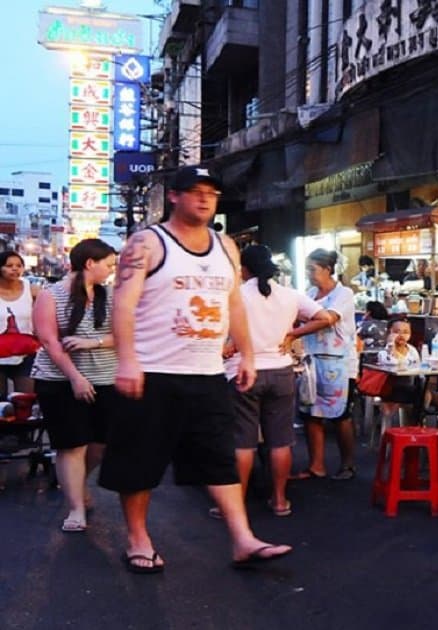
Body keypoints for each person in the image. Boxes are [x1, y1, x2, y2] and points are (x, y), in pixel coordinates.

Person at [98, 165, 292, 573]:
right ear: (174, 196)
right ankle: (138, 538)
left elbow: (234, 305)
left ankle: (242, 538)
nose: (204, 198)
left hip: (206, 372)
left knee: (218, 458)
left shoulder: (226, 247)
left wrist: (248, 355)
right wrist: (128, 360)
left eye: (212, 192)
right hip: (152, 372)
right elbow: (123, 304)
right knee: (140, 462)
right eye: (195, 191)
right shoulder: (147, 243)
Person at [223, 245, 329, 518]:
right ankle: (280, 500)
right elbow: (325, 318)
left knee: (243, 442)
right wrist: (293, 335)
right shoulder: (290, 295)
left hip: (243, 373)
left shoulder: (235, 296)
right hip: (281, 372)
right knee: (280, 440)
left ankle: (236, 506)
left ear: (243, 269)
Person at [31, 239, 117, 534]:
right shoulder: (51, 295)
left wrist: (93, 342)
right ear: (90, 264)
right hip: (58, 381)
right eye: (108, 264)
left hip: (105, 379)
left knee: (101, 445)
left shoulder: (111, 295)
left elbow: (127, 334)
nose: (111, 270)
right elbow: (49, 340)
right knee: (71, 445)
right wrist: (75, 377)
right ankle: (76, 508)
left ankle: (76, 484)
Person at [293, 248, 359, 481]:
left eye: (313, 269)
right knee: (312, 413)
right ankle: (316, 465)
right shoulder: (310, 293)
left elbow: (327, 319)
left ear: (327, 270)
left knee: (341, 415)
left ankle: (348, 464)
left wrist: (293, 334)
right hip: (313, 362)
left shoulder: (344, 294)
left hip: (340, 364)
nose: (309, 274)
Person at [0, 251, 41, 398]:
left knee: (25, 400)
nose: (15, 269)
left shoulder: (32, 290)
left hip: (26, 354)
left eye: (19, 265)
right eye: (9, 265)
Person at [376, 316, 421, 428]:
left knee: (423, 393)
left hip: (410, 387)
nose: (401, 335)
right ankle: (413, 426)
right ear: (389, 333)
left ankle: (415, 426)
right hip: (390, 389)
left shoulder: (412, 350)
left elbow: (419, 367)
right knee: (419, 396)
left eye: (406, 332)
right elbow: (393, 362)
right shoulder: (384, 353)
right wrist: (392, 345)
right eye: (396, 332)